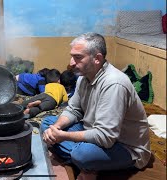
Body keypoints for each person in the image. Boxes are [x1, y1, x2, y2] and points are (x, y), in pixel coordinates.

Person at [42, 33, 150, 180]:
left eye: (78, 57)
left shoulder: (114, 84)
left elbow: (106, 137)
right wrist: (57, 129)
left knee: (82, 154)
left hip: (124, 146)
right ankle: (89, 167)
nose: (71, 62)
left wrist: (64, 136)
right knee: (48, 124)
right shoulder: (83, 77)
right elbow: (74, 109)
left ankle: (85, 163)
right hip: (93, 130)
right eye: (72, 56)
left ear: (97, 59)